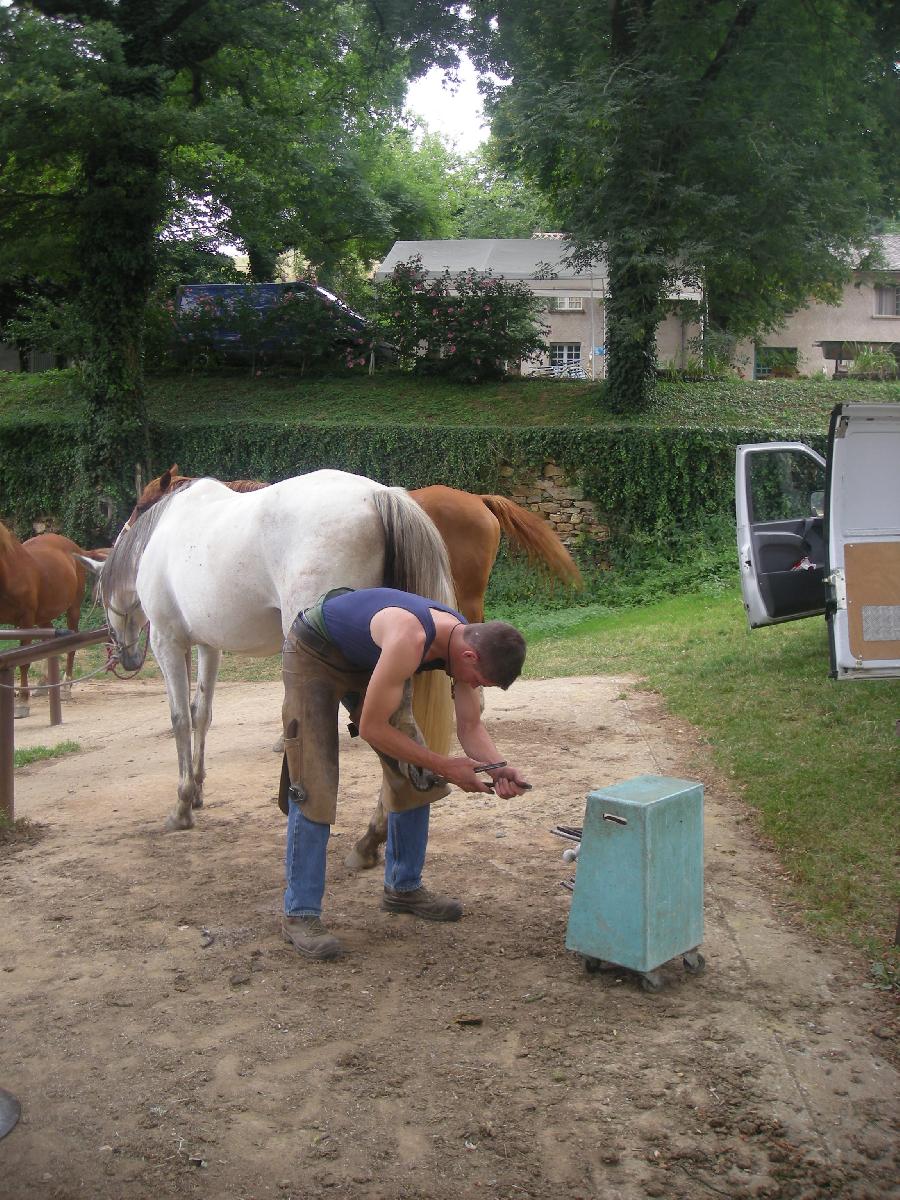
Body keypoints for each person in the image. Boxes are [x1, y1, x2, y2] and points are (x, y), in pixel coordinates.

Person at [278, 586, 529, 960]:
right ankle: (299, 914)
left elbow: (470, 726)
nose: (474, 686)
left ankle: (403, 888)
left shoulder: (462, 638)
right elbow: (371, 727)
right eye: (479, 680)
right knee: (313, 780)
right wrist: (444, 764)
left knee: (418, 773)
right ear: (470, 655)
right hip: (315, 653)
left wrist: (498, 767)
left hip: (371, 661)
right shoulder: (410, 639)